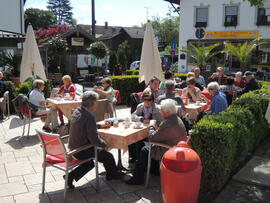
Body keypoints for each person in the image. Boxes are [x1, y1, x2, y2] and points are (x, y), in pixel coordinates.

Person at [66, 91, 123, 189]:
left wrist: (100, 125)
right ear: (93, 104)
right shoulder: (89, 116)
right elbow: (94, 140)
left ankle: (70, 176)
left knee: (89, 163)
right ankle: (112, 175)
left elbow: (85, 126)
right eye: (97, 101)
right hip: (81, 149)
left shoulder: (77, 110)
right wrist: (105, 145)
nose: (97, 103)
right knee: (108, 156)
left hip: (72, 146)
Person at [125, 99, 187, 185]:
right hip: (177, 147)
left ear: (167, 112)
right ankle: (153, 169)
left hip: (169, 150)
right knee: (146, 146)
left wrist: (151, 125)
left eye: (161, 110)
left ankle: (138, 178)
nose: (160, 111)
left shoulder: (167, 123)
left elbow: (151, 138)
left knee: (144, 149)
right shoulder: (177, 118)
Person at [129, 89, 162, 163]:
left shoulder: (157, 109)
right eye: (145, 99)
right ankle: (133, 157)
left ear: (153, 100)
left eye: (149, 99)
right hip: (142, 130)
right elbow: (133, 116)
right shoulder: (140, 106)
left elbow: (161, 124)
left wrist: (152, 122)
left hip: (152, 132)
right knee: (130, 137)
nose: (147, 101)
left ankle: (140, 161)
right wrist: (141, 119)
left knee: (138, 141)